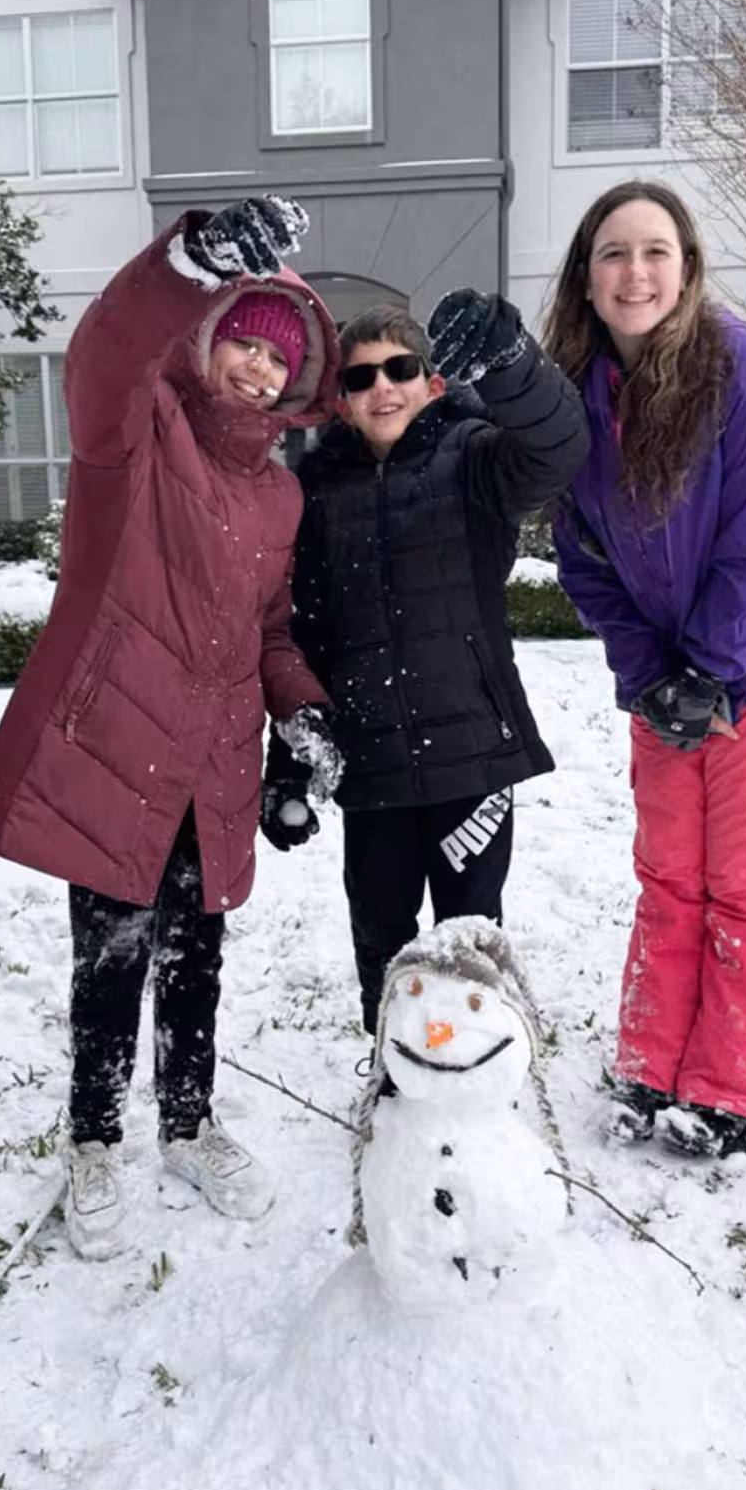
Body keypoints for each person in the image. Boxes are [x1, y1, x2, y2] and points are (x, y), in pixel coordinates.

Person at [0, 197, 342, 1257]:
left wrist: (301, 711)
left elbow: (269, 631)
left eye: (281, 357)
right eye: (244, 343)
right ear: (207, 341)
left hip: (212, 766)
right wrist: (186, 263)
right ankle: (92, 1138)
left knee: (195, 957)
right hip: (120, 752)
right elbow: (101, 356)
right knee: (111, 956)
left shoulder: (277, 498)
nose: (260, 370)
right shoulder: (139, 433)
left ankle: (187, 1122)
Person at [544, 181, 746, 1158]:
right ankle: (650, 1063)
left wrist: (705, 669)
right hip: (663, 679)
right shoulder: (576, 402)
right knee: (668, 876)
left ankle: (733, 1087)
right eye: (614, 253)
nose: (635, 272)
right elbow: (579, 555)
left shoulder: (744, 377)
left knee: (742, 883)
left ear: (687, 267)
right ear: (586, 278)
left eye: (654, 251)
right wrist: (646, 672)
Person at [261, 292, 588, 1035]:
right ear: (340, 402)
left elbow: (559, 447)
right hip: (369, 765)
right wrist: (289, 764)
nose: (382, 387)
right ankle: (397, 1070)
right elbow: (301, 633)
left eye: (400, 369)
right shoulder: (311, 495)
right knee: (380, 934)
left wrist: (513, 363)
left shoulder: (475, 458)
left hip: (471, 757)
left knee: (470, 937)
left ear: (431, 384)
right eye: (360, 378)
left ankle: (479, 1072)